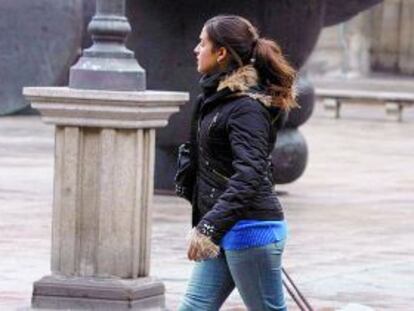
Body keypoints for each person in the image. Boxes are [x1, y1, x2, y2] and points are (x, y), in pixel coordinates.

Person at [177, 15, 297, 311]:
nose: (196, 49)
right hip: (225, 224)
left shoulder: (246, 109)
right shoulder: (217, 99)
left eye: (202, 43)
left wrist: (209, 227)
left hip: (249, 229)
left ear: (221, 53)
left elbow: (251, 174)